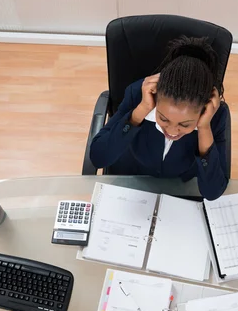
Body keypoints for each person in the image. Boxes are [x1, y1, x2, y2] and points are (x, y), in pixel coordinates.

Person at [89, 36, 229, 200]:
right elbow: (98, 157)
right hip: (133, 182)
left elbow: (212, 192)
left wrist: (204, 128)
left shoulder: (215, 114)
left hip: (180, 190)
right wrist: (142, 109)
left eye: (184, 124)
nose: (171, 131)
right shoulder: (139, 95)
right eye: (163, 119)